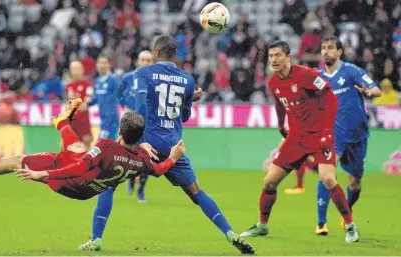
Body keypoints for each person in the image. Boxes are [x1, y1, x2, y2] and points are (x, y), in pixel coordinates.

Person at [79, 34, 255, 255]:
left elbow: (141, 107)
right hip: (173, 147)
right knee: (196, 192)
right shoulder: (188, 79)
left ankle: (96, 239)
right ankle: (230, 233)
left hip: (145, 142)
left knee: (107, 184)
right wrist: (190, 98)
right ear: (175, 54)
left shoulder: (144, 73)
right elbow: (185, 116)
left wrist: (139, 142)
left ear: (156, 53)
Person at [0, 98, 185, 203]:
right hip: (89, 189)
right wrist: (173, 157)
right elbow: (158, 170)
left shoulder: (106, 147)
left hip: (71, 181)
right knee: (78, 148)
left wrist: (43, 175)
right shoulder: (142, 158)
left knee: (18, 160)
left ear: (120, 132)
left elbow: (79, 167)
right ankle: (63, 121)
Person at [240, 40, 359, 243]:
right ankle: (262, 225)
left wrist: (327, 132)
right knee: (269, 182)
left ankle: (349, 226)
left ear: (288, 57)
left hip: (320, 134)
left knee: (328, 179)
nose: (274, 59)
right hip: (296, 137)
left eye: (278, 55)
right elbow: (279, 102)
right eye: (271, 56)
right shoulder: (273, 82)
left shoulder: (306, 75)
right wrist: (280, 125)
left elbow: (331, 99)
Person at [315, 36, 381, 235]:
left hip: (358, 134)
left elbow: (375, 89)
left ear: (339, 52)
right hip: (333, 134)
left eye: (330, 48)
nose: (326, 51)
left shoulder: (351, 71)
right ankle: (321, 223)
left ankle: (347, 210)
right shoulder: (318, 79)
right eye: (323, 48)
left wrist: (370, 92)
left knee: (355, 182)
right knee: (327, 175)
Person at [86, 55, 122, 248]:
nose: (101, 65)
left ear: (109, 65)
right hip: (103, 122)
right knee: (101, 152)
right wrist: (85, 103)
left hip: (112, 123)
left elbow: (121, 97)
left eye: (104, 62)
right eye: (98, 62)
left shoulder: (113, 80)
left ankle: (101, 176)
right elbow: (95, 100)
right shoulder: (98, 81)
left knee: (99, 151)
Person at [118, 50, 154, 202]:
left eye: (148, 60)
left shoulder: (156, 80)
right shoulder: (128, 78)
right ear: (138, 62)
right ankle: (131, 179)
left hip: (149, 123)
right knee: (129, 153)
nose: (145, 63)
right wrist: (125, 107)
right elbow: (118, 93)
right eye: (143, 60)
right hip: (132, 122)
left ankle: (141, 190)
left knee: (147, 157)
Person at [65, 61, 94, 148]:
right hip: (72, 122)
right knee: (67, 146)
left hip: (83, 121)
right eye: (73, 69)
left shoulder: (88, 85)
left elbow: (84, 107)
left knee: (86, 145)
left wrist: (74, 104)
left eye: (77, 69)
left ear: (82, 70)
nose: (75, 71)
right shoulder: (68, 86)